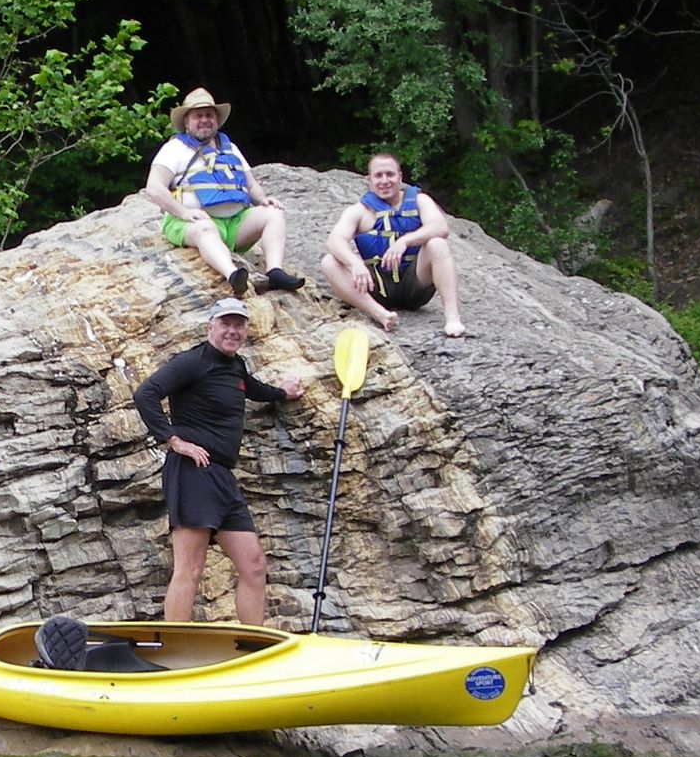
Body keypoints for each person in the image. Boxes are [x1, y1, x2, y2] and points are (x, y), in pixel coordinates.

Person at [132, 297, 305, 624]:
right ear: (210, 326)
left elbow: (252, 388)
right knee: (191, 568)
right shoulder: (193, 361)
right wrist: (174, 441)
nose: (232, 330)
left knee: (253, 564)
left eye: (239, 325)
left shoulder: (235, 366)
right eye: (225, 323)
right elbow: (146, 394)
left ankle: (251, 647)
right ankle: (174, 650)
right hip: (192, 472)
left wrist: (282, 393)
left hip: (222, 477)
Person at [145, 88, 306, 297]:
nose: (204, 120)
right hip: (189, 222)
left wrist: (263, 199)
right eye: (198, 115)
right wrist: (183, 212)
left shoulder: (229, 147)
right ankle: (233, 275)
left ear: (217, 120)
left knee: (274, 214)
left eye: (209, 115)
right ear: (186, 121)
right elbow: (154, 188)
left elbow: (250, 184)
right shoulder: (174, 149)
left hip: (234, 223)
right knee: (205, 228)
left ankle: (274, 271)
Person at [320, 152, 467, 336]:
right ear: (369, 179)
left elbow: (440, 227)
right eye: (378, 175)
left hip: (415, 283)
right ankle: (379, 313)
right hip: (377, 287)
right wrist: (355, 263)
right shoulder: (359, 211)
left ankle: (452, 318)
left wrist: (405, 241)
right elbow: (334, 240)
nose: (384, 180)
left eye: (390, 174)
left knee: (437, 244)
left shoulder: (420, 201)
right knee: (329, 262)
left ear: (400, 177)